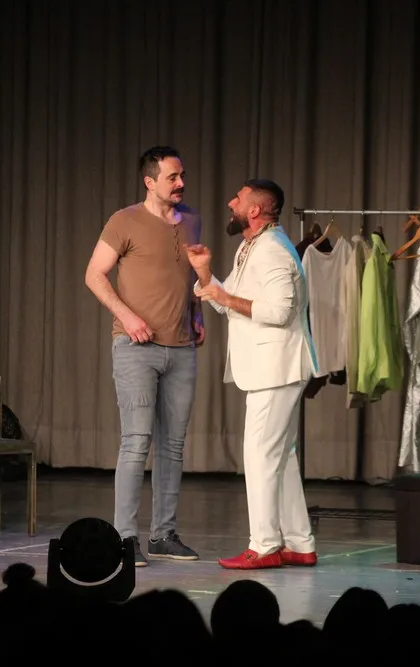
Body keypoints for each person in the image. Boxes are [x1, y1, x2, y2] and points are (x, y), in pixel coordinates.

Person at [185, 178, 319, 569]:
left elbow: (279, 312)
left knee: (260, 456)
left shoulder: (272, 250)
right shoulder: (253, 245)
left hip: (276, 368)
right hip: (271, 368)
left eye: (239, 199)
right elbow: (229, 304)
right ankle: (299, 542)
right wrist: (206, 275)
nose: (231, 203)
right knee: (281, 457)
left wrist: (224, 296)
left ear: (255, 210)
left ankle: (264, 545)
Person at [84, 146, 203, 567]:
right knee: (136, 442)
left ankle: (163, 535)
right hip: (136, 348)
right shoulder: (125, 220)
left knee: (173, 446)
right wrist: (127, 316)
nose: (181, 183)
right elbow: (94, 274)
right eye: (172, 177)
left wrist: (198, 314)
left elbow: (190, 275)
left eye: (182, 175)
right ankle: (125, 538)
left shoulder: (192, 220)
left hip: (181, 348)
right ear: (150, 182)